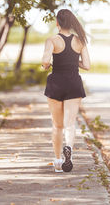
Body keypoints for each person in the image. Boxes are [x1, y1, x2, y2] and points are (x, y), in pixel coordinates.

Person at [42, 9, 90, 173]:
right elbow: (87, 65)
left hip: (56, 83)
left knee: (57, 125)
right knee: (70, 124)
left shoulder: (52, 40)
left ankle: (57, 161)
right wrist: (73, 61)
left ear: (57, 22)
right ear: (71, 23)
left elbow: (45, 61)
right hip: (73, 84)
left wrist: (46, 65)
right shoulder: (80, 41)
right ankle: (68, 148)